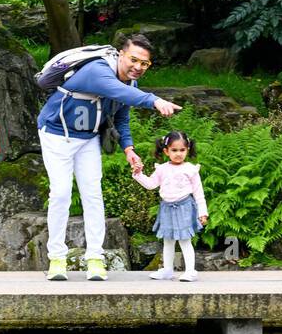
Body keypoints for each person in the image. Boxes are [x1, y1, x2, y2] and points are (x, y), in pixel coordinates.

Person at [37, 34, 181, 282]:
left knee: (93, 194)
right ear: (120, 54)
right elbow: (117, 92)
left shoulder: (130, 86)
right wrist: (154, 100)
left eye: (144, 64)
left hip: (88, 138)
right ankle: (57, 259)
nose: (138, 67)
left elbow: (122, 117)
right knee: (60, 193)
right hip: (56, 133)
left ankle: (95, 258)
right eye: (133, 59)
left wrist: (129, 149)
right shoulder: (98, 69)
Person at [132, 130, 208, 283]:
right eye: (174, 150)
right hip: (166, 208)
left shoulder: (191, 169)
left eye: (182, 150)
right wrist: (138, 174)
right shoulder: (162, 169)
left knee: (185, 239)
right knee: (168, 240)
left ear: (188, 149)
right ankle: (167, 270)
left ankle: (190, 271)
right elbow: (151, 185)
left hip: (184, 207)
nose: (178, 153)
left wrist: (203, 212)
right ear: (166, 151)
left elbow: (199, 193)